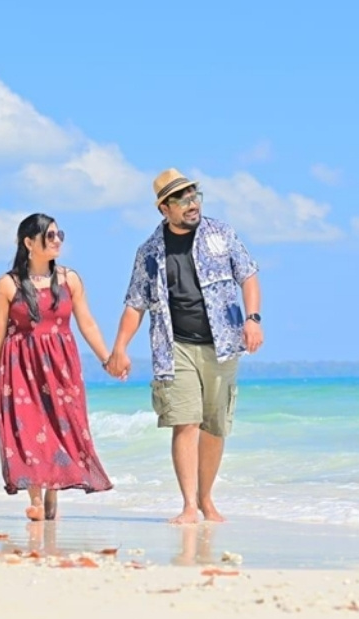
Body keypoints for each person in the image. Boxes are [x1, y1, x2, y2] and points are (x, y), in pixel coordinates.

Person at [106, 169, 263, 524]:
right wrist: (120, 348)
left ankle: (207, 500)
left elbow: (249, 274)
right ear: (164, 208)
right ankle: (189, 506)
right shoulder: (149, 252)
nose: (192, 205)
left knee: (215, 426)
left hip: (223, 344)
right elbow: (135, 304)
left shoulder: (221, 233)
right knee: (185, 422)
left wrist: (253, 319)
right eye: (183, 200)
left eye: (195, 197)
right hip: (174, 346)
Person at [0, 213, 118, 521]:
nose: (57, 241)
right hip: (19, 367)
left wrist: (106, 358)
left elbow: (87, 323)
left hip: (60, 366)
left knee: (61, 425)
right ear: (29, 243)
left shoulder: (70, 279)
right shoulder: (7, 285)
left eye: (59, 235)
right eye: (50, 236)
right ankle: (35, 498)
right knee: (28, 429)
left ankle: (52, 492)